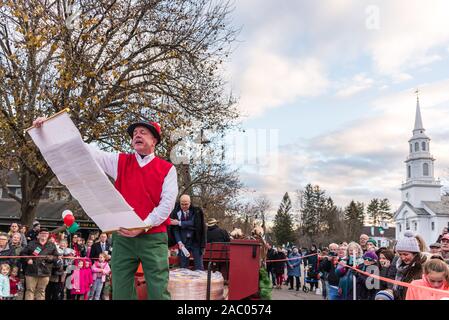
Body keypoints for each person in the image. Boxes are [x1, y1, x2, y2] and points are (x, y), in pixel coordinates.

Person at [33, 117, 178, 300]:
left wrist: (144, 225)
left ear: (154, 140)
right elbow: (88, 151)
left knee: (158, 290)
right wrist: (50, 129)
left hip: (153, 237)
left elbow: (167, 205)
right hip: (123, 237)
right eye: (134, 133)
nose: (137, 135)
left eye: (143, 132)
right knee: (120, 289)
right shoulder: (121, 161)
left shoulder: (167, 169)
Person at [20, 228, 60, 300]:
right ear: (38, 235)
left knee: (41, 291)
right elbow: (23, 253)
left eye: (46, 233)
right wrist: (28, 259)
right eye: (42, 233)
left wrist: (51, 258)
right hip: (31, 271)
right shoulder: (32, 243)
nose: (44, 235)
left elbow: (56, 257)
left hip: (45, 271)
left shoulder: (51, 245)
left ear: (48, 236)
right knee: (30, 291)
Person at [170, 194, 207, 271]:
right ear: (179, 203)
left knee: (199, 266)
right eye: (182, 204)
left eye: (186, 204)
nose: (184, 206)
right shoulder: (175, 212)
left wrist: (179, 223)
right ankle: (184, 282)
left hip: (196, 241)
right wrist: (179, 242)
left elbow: (194, 222)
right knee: (183, 267)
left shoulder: (196, 211)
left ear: (190, 203)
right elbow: (175, 229)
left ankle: (199, 282)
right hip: (183, 243)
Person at [393, 232, 427, 300]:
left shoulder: (423, 267)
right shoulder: (400, 267)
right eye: (400, 254)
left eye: (405, 254)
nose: (402, 258)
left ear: (415, 254)